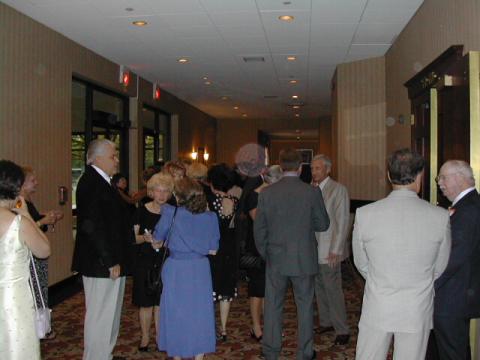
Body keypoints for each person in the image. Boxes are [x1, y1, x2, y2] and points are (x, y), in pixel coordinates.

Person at [352, 149, 451, 360]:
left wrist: (382, 280)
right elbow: (439, 267)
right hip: (416, 307)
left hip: (378, 304)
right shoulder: (440, 217)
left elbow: (361, 263)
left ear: (389, 176)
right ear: (420, 176)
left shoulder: (365, 214)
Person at [254, 148, 330, 360]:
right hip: (303, 258)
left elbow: (259, 230)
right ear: (300, 167)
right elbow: (323, 224)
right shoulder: (311, 192)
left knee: (272, 306)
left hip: (275, 259)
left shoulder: (267, 193)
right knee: (305, 307)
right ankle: (304, 352)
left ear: (280, 164)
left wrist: (266, 254)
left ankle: (270, 351)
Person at [71, 139, 134, 360]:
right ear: (97, 158)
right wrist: (109, 260)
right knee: (100, 316)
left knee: (110, 315)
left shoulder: (102, 181)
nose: (116, 161)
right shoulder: (90, 182)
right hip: (101, 263)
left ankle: (104, 355)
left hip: (109, 260)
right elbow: (93, 225)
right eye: (113, 156)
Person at [153, 177, 220, 360]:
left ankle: (177, 355)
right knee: (200, 313)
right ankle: (198, 356)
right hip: (200, 269)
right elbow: (213, 249)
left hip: (176, 268)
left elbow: (157, 238)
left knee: (176, 312)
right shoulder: (211, 217)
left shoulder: (170, 213)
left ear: (177, 195)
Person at [0, 160, 50, 360]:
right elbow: (44, 250)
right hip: (14, 299)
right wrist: (26, 214)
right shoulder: (18, 222)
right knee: (17, 348)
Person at [434, 160, 480, 360]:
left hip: (453, 296)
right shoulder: (467, 204)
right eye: (438, 178)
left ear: (460, 178)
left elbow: (454, 256)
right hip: (458, 292)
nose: (439, 183)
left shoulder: (468, 209)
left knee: (453, 353)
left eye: (443, 177)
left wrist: (430, 283)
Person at [310, 155, 350, 345]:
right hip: (313, 248)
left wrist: (336, 249)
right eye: (312, 168)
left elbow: (342, 221)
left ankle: (342, 329)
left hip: (329, 249)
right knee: (319, 286)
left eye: (317, 168)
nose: (314, 172)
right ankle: (326, 321)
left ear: (327, 169)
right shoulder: (311, 189)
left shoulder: (338, 189)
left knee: (333, 289)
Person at [20, 165, 63, 339]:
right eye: (32, 180)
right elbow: (25, 228)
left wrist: (46, 216)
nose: (36, 183)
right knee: (35, 290)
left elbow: (34, 220)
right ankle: (38, 328)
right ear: (21, 183)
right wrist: (44, 220)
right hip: (31, 253)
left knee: (40, 289)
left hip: (37, 251)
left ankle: (43, 325)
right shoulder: (19, 202)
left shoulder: (27, 200)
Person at [132, 172, 174, 352]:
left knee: (160, 302)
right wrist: (146, 238)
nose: (162, 195)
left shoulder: (173, 211)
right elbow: (133, 239)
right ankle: (145, 336)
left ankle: (159, 336)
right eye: (159, 190)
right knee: (145, 302)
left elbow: (179, 237)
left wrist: (165, 242)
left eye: (166, 191)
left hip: (166, 260)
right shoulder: (140, 210)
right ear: (151, 191)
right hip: (145, 260)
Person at [244, 165, 283, 341]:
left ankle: (271, 326)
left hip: (275, 247)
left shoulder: (274, 194)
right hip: (257, 248)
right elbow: (260, 221)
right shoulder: (254, 196)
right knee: (257, 290)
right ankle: (256, 327)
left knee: (271, 290)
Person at [206, 163, 239, 341]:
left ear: (212, 182)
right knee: (226, 288)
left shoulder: (209, 202)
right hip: (229, 247)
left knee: (211, 287)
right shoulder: (234, 201)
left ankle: (211, 327)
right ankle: (224, 328)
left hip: (212, 248)